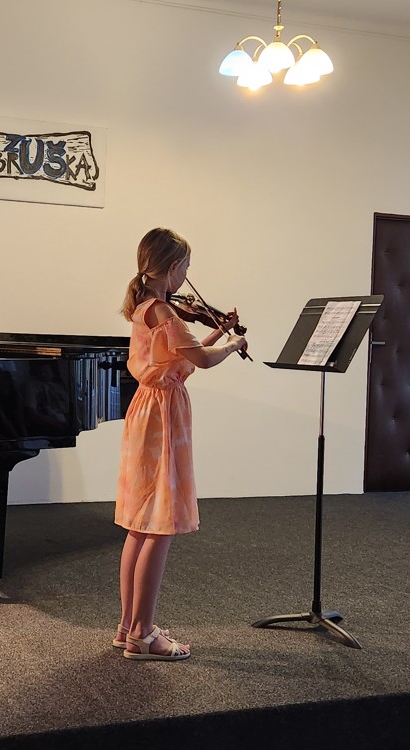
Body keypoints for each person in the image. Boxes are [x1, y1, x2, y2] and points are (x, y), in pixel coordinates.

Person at [114, 228, 247, 661]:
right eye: (186, 268)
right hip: (163, 417)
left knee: (140, 524)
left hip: (147, 410)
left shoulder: (146, 308)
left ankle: (128, 626)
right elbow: (202, 361)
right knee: (161, 524)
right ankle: (143, 634)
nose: (187, 275)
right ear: (172, 267)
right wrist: (233, 345)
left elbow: (182, 356)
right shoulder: (165, 312)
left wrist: (216, 333)